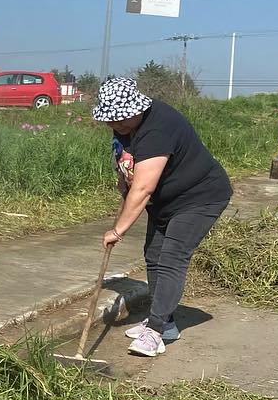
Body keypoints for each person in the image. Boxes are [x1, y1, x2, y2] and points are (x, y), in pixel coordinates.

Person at [94, 77, 232, 358]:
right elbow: (130, 173)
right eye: (110, 120)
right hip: (166, 201)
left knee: (172, 257)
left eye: (119, 119)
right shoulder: (124, 127)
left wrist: (118, 230)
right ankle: (165, 323)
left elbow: (144, 188)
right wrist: (123, 181)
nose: (114, 125)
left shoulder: (158, 128)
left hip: (200, 197)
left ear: (136, 109)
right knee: (154, 253)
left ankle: (155, 332)